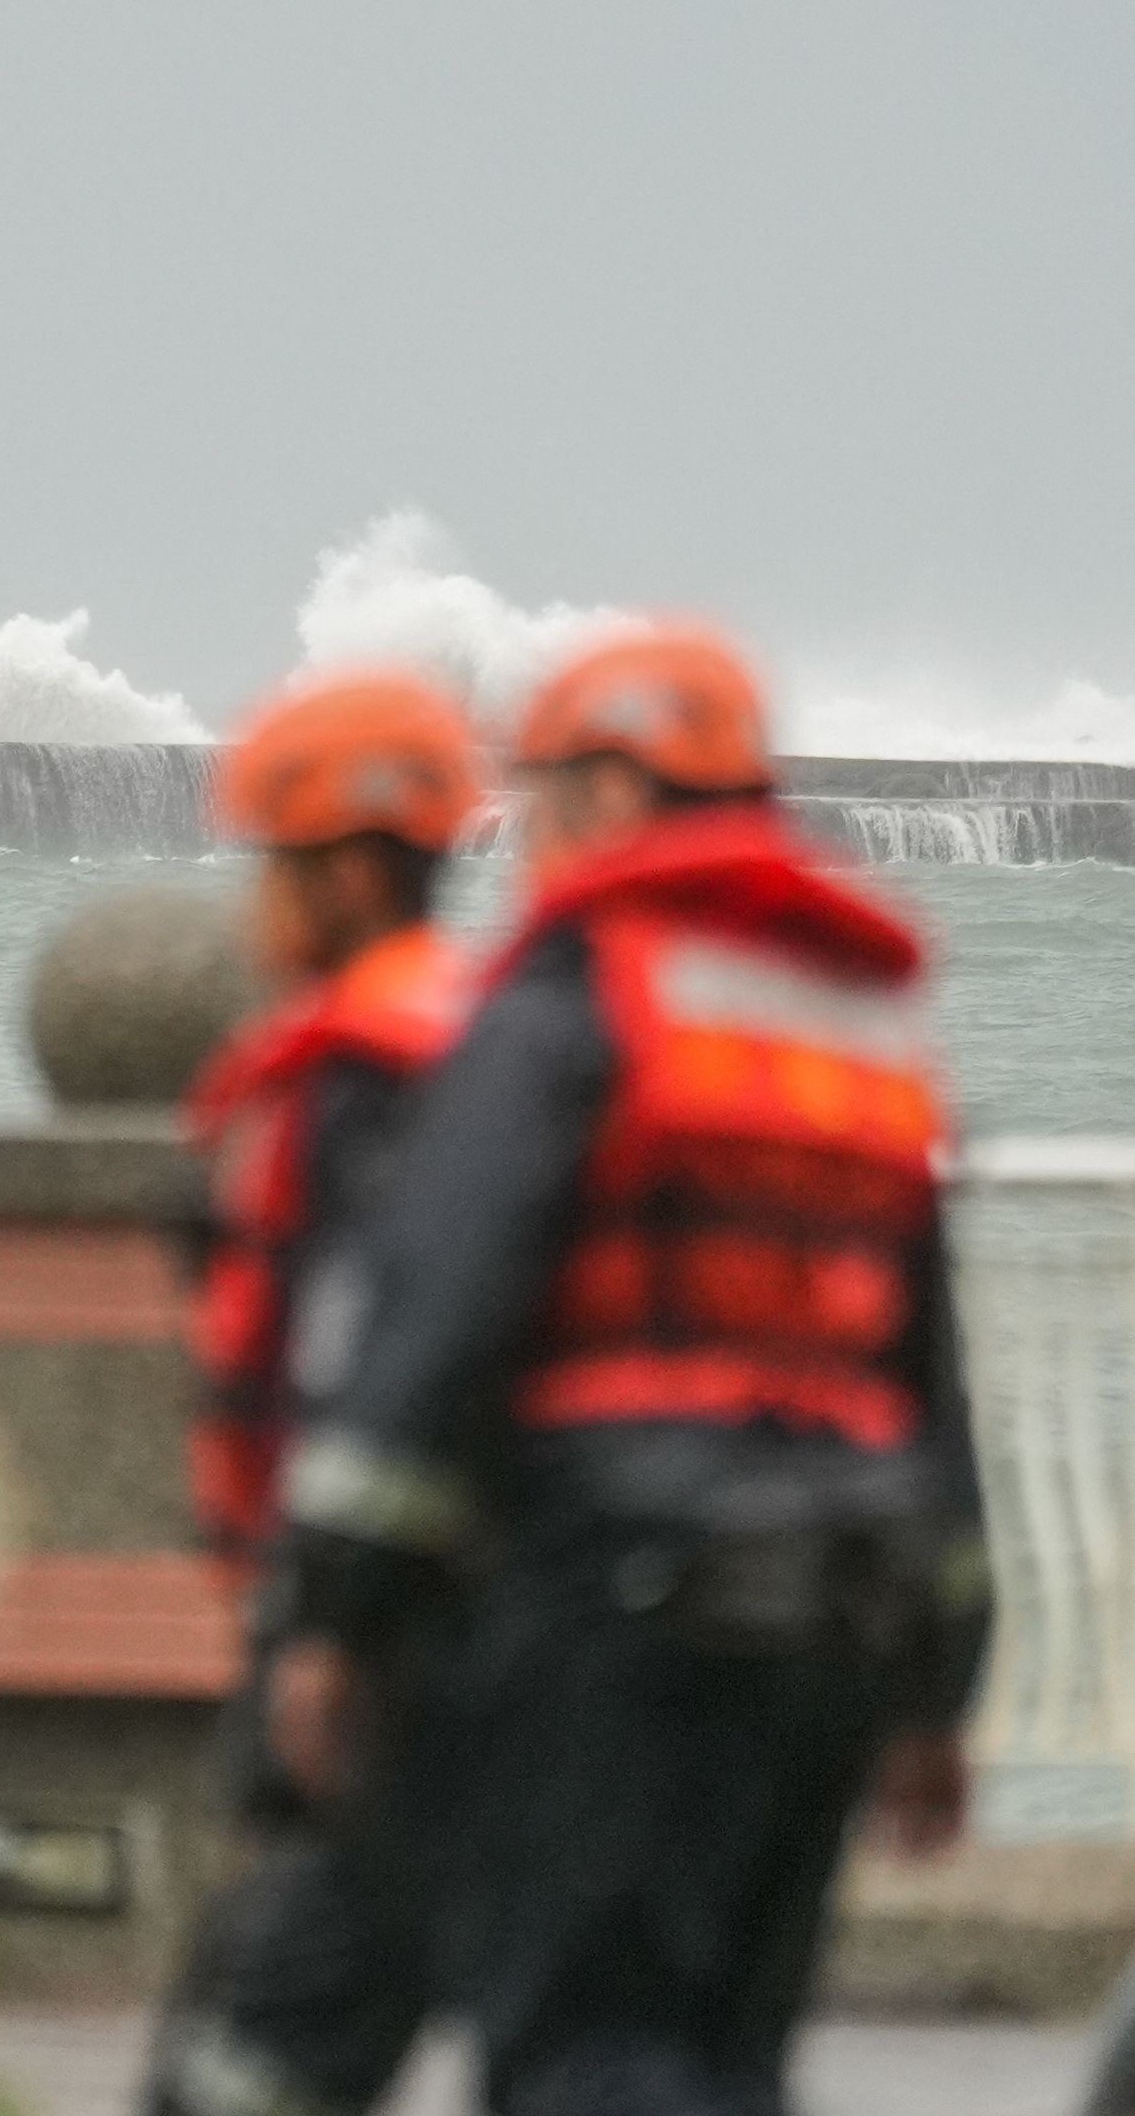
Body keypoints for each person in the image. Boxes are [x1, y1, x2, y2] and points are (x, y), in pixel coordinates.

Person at [274, 623, 989, 2116]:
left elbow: (439, 1317)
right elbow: (926, 1381)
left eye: (534, 799)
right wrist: (937, 1689)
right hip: (838, 1623)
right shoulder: (864, 1033)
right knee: (732, 2059)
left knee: (581, 2056)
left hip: (620, 1606)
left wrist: (337, 1614)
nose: (523, 843)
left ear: (605, 795)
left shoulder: (571, 999)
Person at [145, 671, 481, 2116]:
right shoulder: (480, 1045)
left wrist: (327, 1629)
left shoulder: (368, 1082)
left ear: (347, 872)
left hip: (382, 1648)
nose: (255, 906)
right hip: (450, 1632)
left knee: (253, 2047)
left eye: (273, 869)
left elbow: (372, 1372)